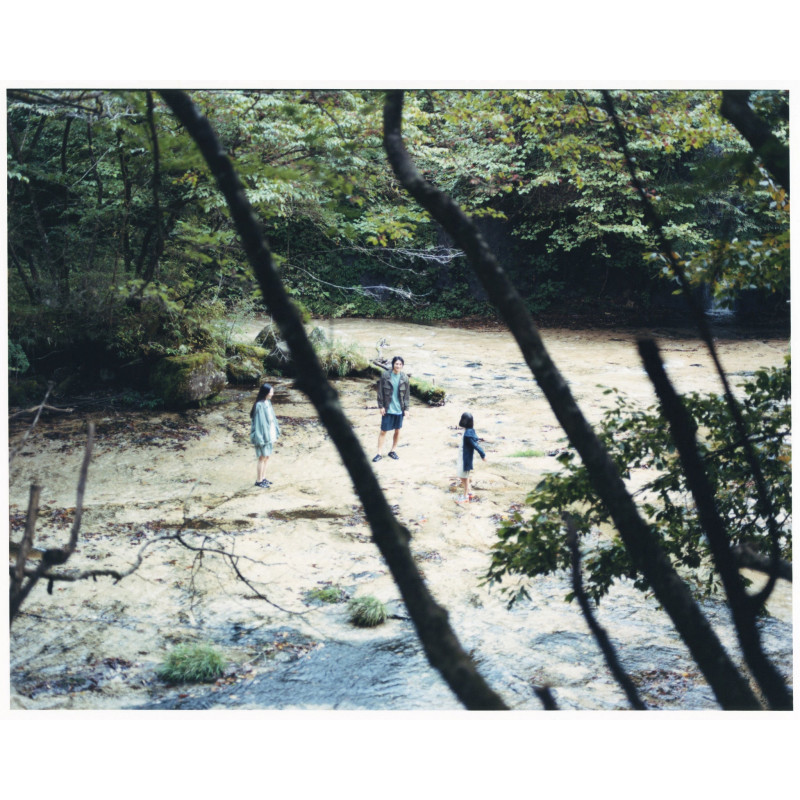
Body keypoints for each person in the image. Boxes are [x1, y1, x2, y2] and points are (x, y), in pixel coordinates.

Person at [373, 355, 410, 462]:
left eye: (400, 364)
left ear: (402, 366)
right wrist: (381, 406)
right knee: (383, 431)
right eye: (396, 363)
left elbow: (407, 395)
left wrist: (406, 409)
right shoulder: (385, 375)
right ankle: (379, 453)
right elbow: (380, 391)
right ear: (393, 364)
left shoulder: (405, 378)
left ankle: (392, 451)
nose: (398, 366)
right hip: (388, 408)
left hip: (399, 409)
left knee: (397, 430)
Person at [250, 383, 280, 488]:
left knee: (267, 457)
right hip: (262, 436)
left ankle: (263, 478)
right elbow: (258, 423)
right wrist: (259, 438)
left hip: (269, 433)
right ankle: (258, 481)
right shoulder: (259, 405)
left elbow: (272, 418)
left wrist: (276, 430)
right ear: (266, 392)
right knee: (262, 457)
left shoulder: (268, 402)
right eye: (271, 392)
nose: (272, 394)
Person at [455, 411, 486, 502]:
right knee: (464, 475)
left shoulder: (468, 434)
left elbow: (475, 445)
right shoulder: (469, 430)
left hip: (465, 458)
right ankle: (469, 492)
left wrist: (482, 454)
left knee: (462, 475)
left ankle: (465, 496)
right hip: (462, 455)